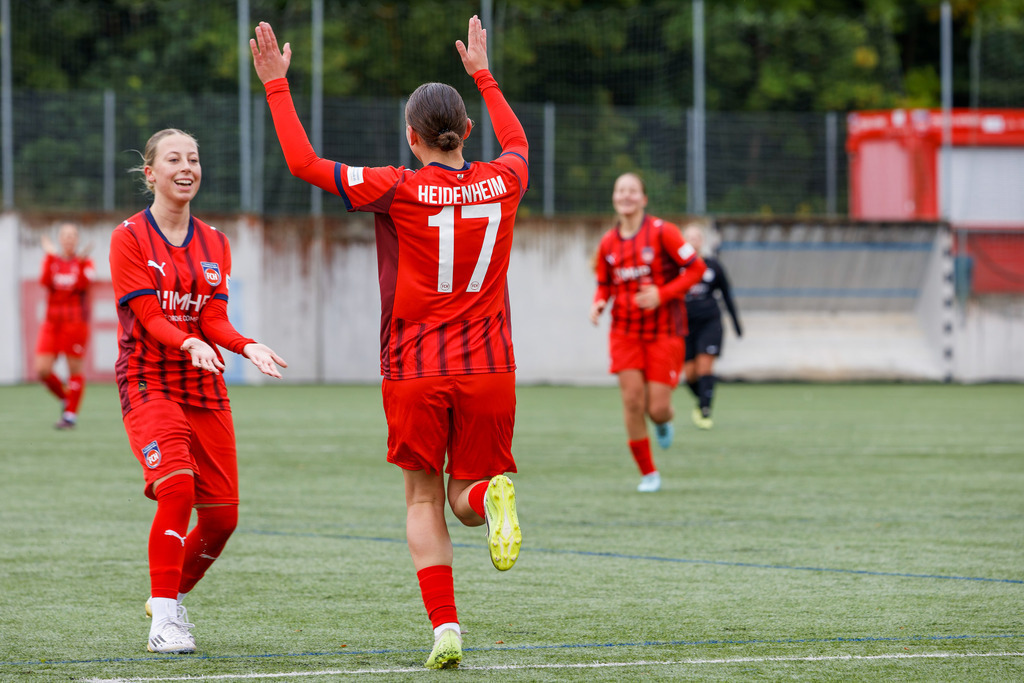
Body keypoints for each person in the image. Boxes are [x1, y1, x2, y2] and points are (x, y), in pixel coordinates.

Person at [251, 15, 524, 670]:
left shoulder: (398, 187)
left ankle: (446, 629)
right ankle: (492, 497)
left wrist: (276, 87)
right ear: (466, 133)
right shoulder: (505, 178)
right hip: (491, 364)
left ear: (411, 136)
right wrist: (483, 72)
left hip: (415, 365)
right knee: (468, 495)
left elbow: (302, 163)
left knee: (424, 497)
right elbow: (517, 142)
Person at [109, 128, 287, 654]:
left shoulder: (216, 242)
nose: (186, 167)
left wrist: (246, 345)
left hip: (203, 383)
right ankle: (164, 622)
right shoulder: (129, 238)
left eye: (194, 158)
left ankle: (168, 597)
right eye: (173, 159)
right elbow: (147, 315)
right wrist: (188, 343)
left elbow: (214, 316)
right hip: (148, 378)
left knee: (223, 516)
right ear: (151, 174)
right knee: (178, 488)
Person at [589, 173, 706, 493]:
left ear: (643, 198)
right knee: (631, 401)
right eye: (620, 190)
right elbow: (604, 284)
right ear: (614, 198)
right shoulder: (608, 243)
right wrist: (599, 304)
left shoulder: (663, 232)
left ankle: (665, 422)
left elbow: (696, 269)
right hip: (625, 332)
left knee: (657, 408)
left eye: (632, 190)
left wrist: (662, 294)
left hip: (665, 332)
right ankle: (649, 473)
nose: (626, 195)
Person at [682, 223, 742, 430]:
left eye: (696, 237)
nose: (692, 241)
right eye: (688, 237)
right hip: (685, 325)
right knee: (690, 374)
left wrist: (736, 324)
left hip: (710, 323)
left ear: (702, 241)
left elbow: (726, 294)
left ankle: (705, 411)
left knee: (705, 366)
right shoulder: (675, 267)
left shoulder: (713, 266)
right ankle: (703, 399)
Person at [36, 222, 94, 429]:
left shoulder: (86, 263)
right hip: (52, 322)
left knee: (74, 370)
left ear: (77, 240)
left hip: (75, 322)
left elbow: (82, 285)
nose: (69, 239)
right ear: (59, 239)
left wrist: (78, 263)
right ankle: (65, 398)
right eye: (65, 235)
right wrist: (50, 257)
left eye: (72, 235)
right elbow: (44, 282)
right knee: (42, 370)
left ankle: (70, 415)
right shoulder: (52, 261)